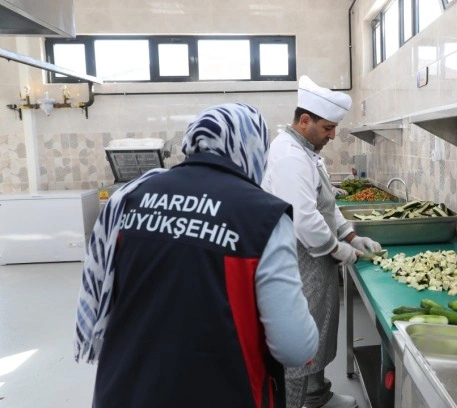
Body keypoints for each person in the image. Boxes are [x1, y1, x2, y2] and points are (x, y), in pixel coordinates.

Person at [74, 103, 319, 408]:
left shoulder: (130, 199)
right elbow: (294, 347)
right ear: (252, 146)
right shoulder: (262, 215)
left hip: (124, 390)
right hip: (223, 391)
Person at [262, 76, 382, 408]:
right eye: (328, 128)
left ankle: (316, 395)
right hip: (299, 260)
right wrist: (337, 248)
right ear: (305, 121)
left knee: (321, 330)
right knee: (301, 338)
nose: (332, 135)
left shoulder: (307, 151)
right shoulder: (289, 156)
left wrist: (352, 236)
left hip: (316, 259)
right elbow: (304, 217)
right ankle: (296, 402)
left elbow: (325, 204)